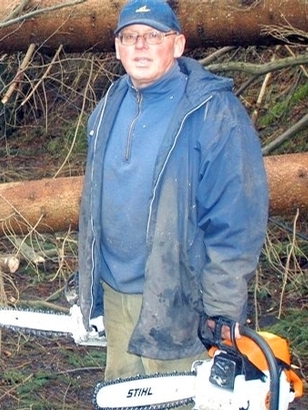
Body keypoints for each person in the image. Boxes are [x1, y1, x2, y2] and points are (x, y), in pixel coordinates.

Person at [75, 0, 269, 382]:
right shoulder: (107, 108)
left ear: (178, 44)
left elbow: (237, 221)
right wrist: (87, 281)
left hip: (181, 300)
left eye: (153, 36)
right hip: (117, 296)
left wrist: (223, 308)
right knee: (124, 398)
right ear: (117, 48)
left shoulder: (212, 114)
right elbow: (97, 206)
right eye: (130, 37)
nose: (141, 46)